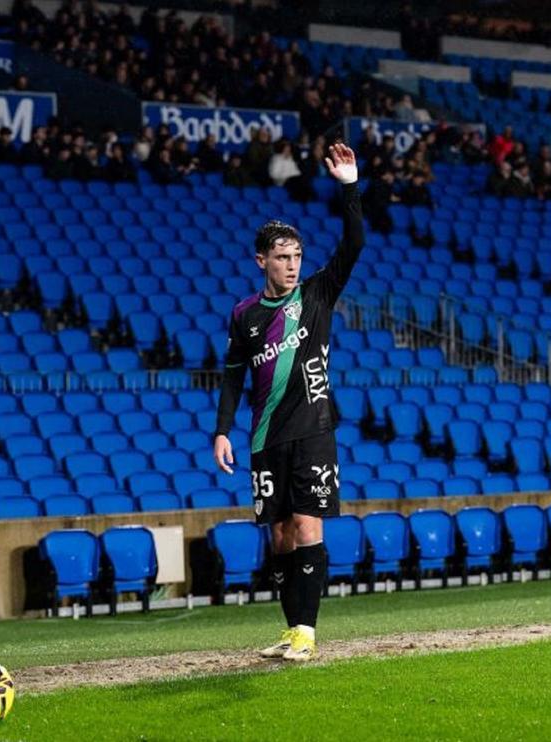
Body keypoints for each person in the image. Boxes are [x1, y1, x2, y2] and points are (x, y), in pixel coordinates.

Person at [212, 142, 363, 663]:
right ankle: (290, 629)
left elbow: (355, 243)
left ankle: (307, 630)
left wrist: (349, 186)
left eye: (297, 256)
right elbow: (233, 376)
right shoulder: (245, 315)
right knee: (278, 537)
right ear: (261, 261)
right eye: (282, 257)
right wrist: (221, 429)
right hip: (263, 436)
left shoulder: (318, 295)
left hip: (314, 428)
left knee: (306, 526)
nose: (293, 265)